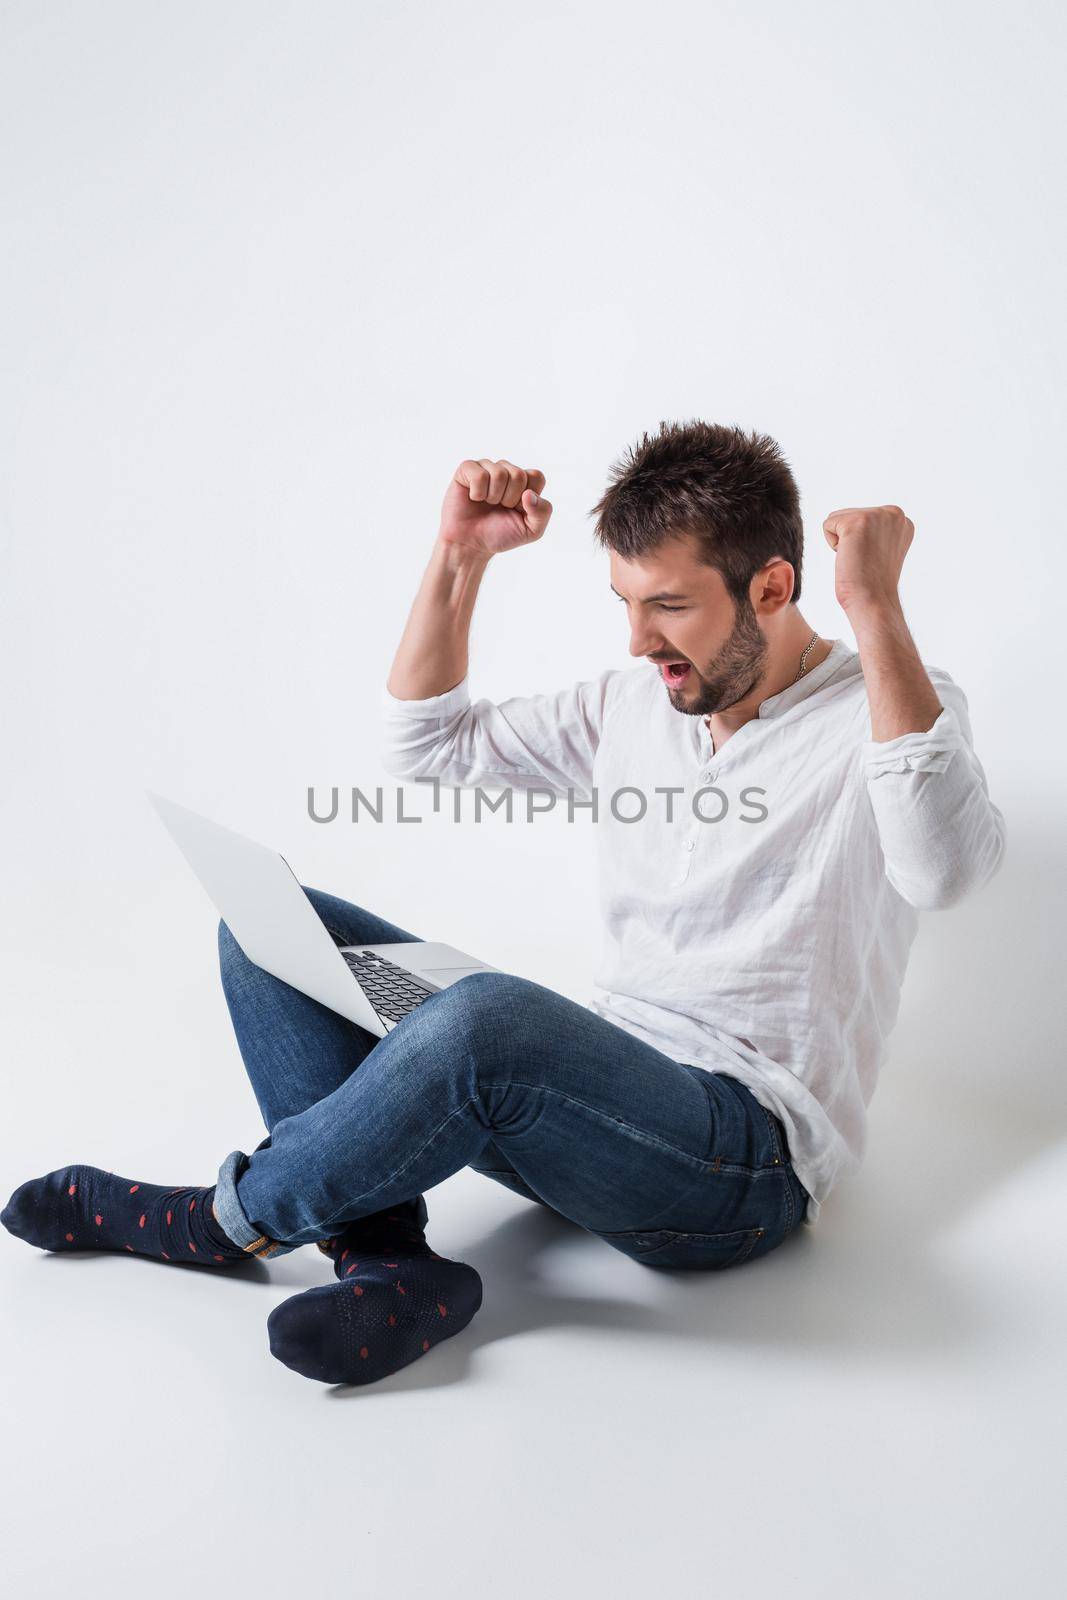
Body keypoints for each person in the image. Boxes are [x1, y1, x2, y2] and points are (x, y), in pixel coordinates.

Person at [2, 421, 1007, 1388]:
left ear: (772, 587)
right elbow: (426, 746)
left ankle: (222, 1219)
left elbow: (942, 871)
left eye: (666, 606)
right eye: (623, 602)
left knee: (481, 1020)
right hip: (593, 1095)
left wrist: (875, 607)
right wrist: (458, 560)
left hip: (733, 1163)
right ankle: (391, 1263)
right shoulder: (635, 705)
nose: (634, 641)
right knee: (271, 933)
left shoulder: (885, 705)